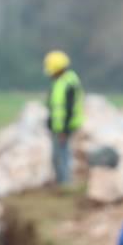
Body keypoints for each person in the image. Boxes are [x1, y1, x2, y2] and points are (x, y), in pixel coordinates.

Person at [44, 50, 85, 186]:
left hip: (63, 128)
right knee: (59, 155)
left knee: (61, 155)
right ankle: (62, 181)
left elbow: (68, 108)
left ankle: (65, 182)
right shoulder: (62, 82)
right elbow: (55, 106)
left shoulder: (68, 83)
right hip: (58, 126)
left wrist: (64, 130)